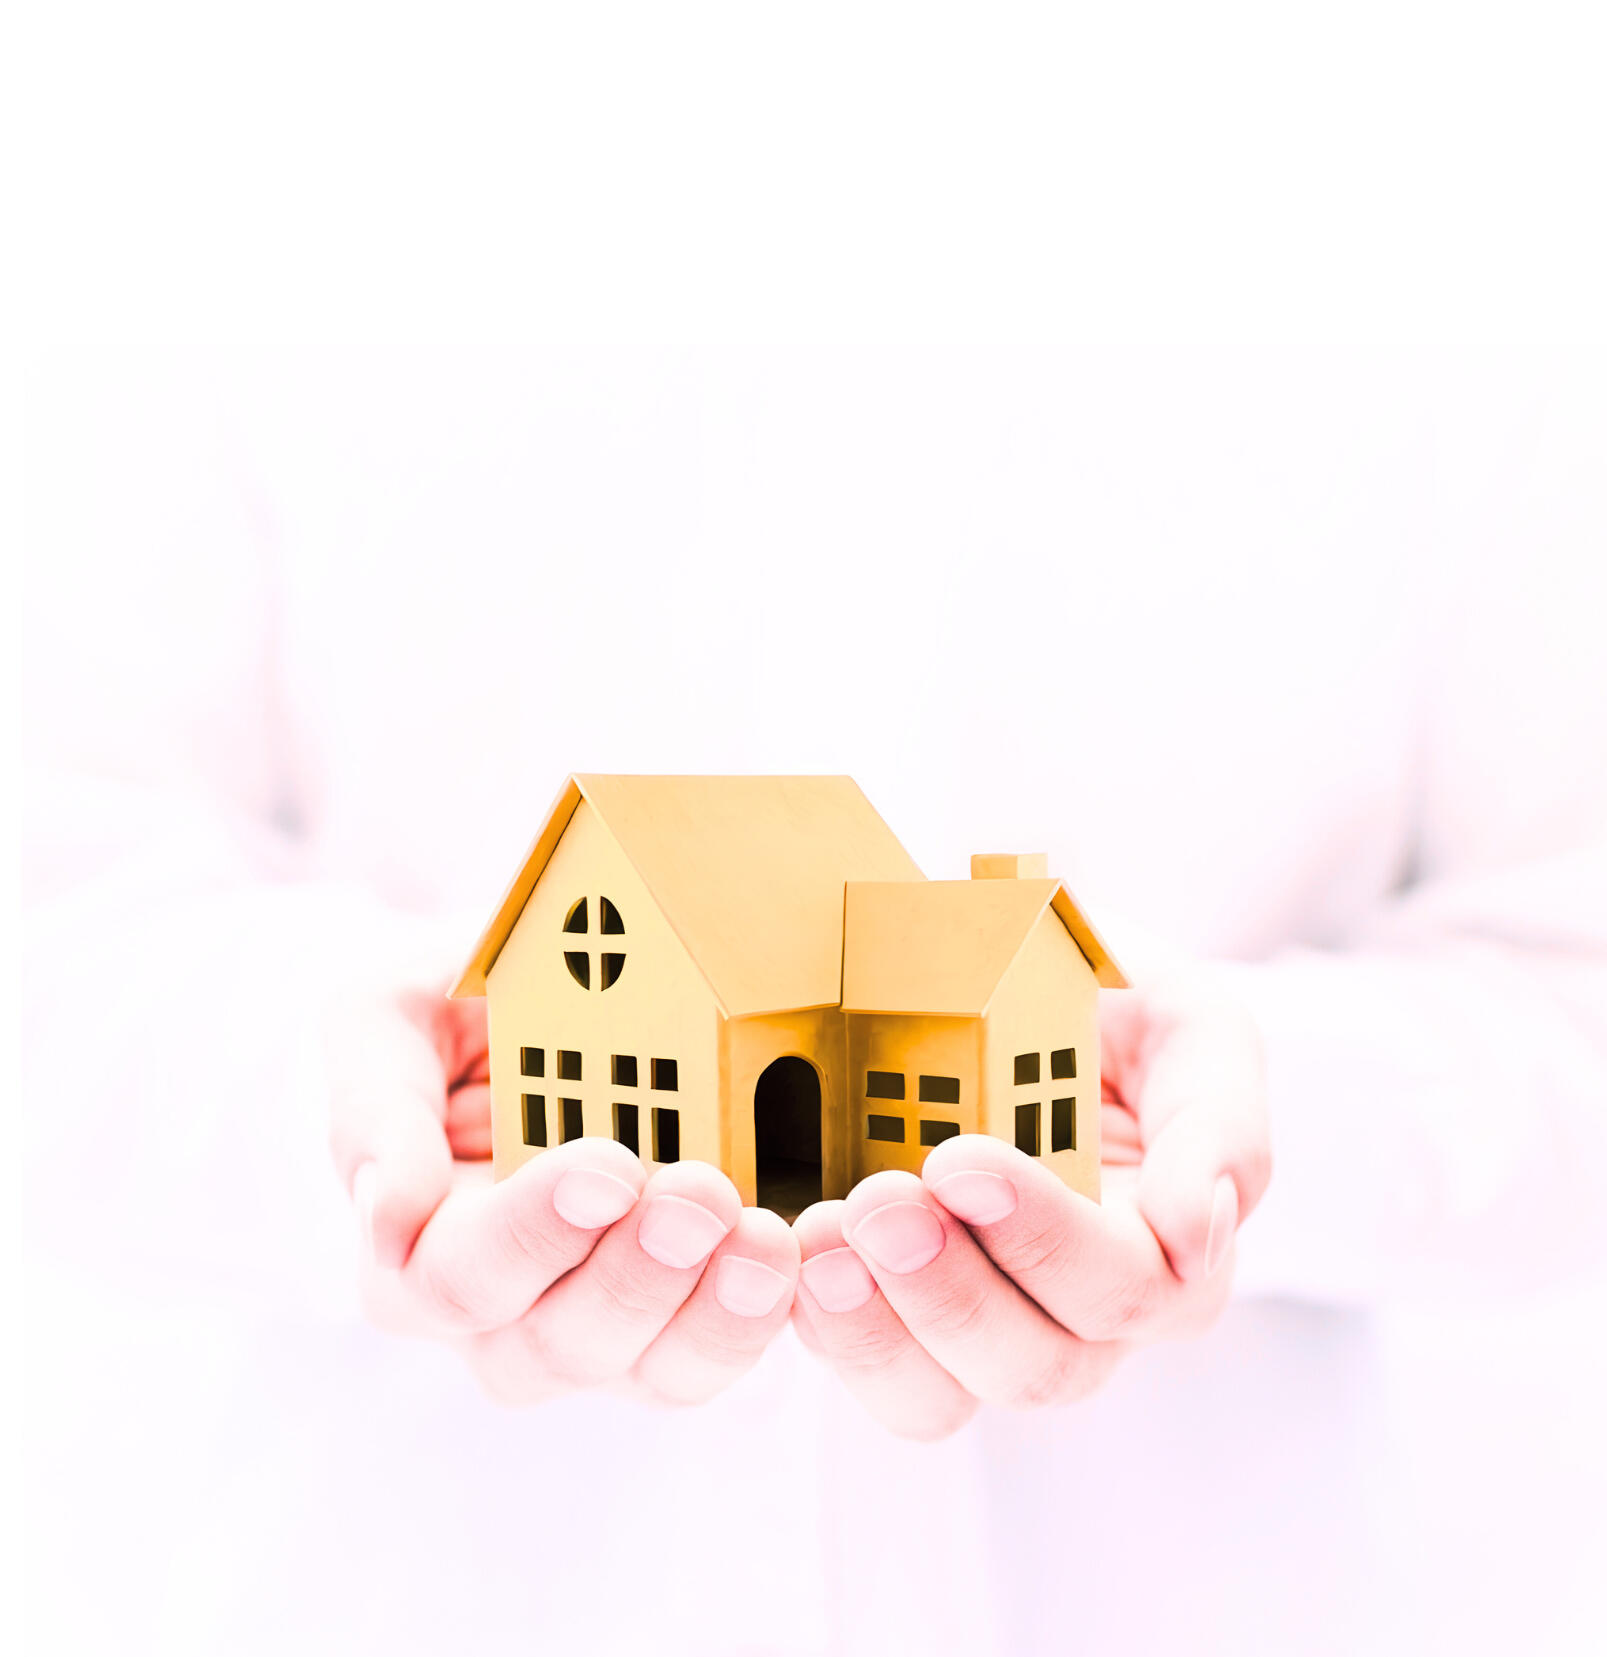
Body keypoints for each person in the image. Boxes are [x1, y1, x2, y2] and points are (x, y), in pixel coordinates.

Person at [23, 352, 1607, 1655]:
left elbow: (1566, 986)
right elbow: (54, 917)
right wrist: (359, 1119)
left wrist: (1248, 1126)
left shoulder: (1472, 255)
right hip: (390, 1585)